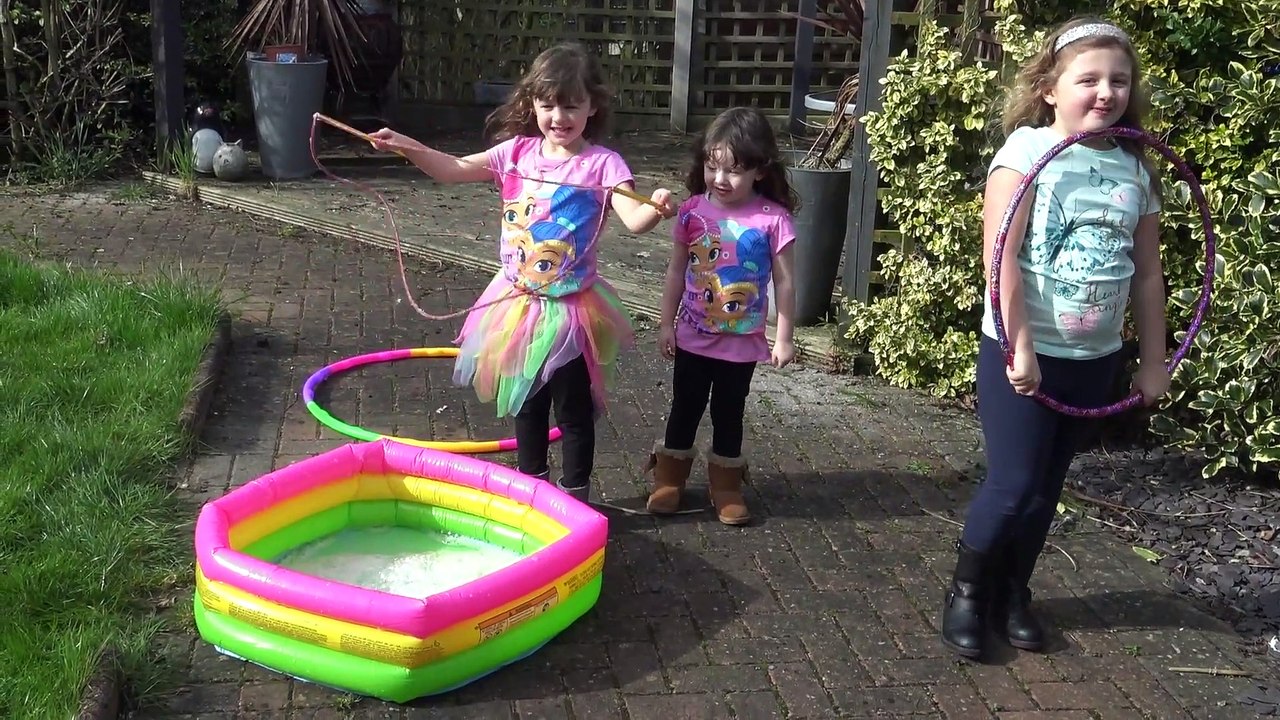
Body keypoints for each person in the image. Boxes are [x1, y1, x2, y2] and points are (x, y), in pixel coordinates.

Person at [941, 17, 1171, 658]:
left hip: (1094, 356)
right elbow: (1000, 259)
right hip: (1022, 352)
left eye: (1119, 80)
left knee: (1047, 487)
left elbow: (1149, 276)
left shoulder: (1133, 169)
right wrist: (1020, 347)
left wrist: (1152, 362)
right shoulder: (1024, 153)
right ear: (1049, 87)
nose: (1106, 92)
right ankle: (966, 595)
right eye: (1089, 79)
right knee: (1012, 484)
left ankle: (1013, 594)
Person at [369, 43, 677, 503]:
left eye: (571, 105)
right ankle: (531, 493)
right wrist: (406, 147)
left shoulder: (602, 164)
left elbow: (633, 218)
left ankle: (574, 498)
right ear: (531, 103)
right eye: (547, 104)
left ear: (593, 106)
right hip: (516, 305)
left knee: (572, 412)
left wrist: (658, 206)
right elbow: (452, 169)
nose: (559, 116)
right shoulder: (516, 154)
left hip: (572, 311)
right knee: (527, 405)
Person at [642, 106, 798, 526]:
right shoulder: (692, 212)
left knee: (730, 412)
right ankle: (669, 478)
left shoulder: (773, 220)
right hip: (692, 335)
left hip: (742, 344)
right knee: (685, 407)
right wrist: (664, 324)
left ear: (760, 170)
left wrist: (783, 336)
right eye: (713, 167)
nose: (720, 180)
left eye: (733, 170)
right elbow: (676, 271)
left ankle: (726, 485)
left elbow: (784, 282)